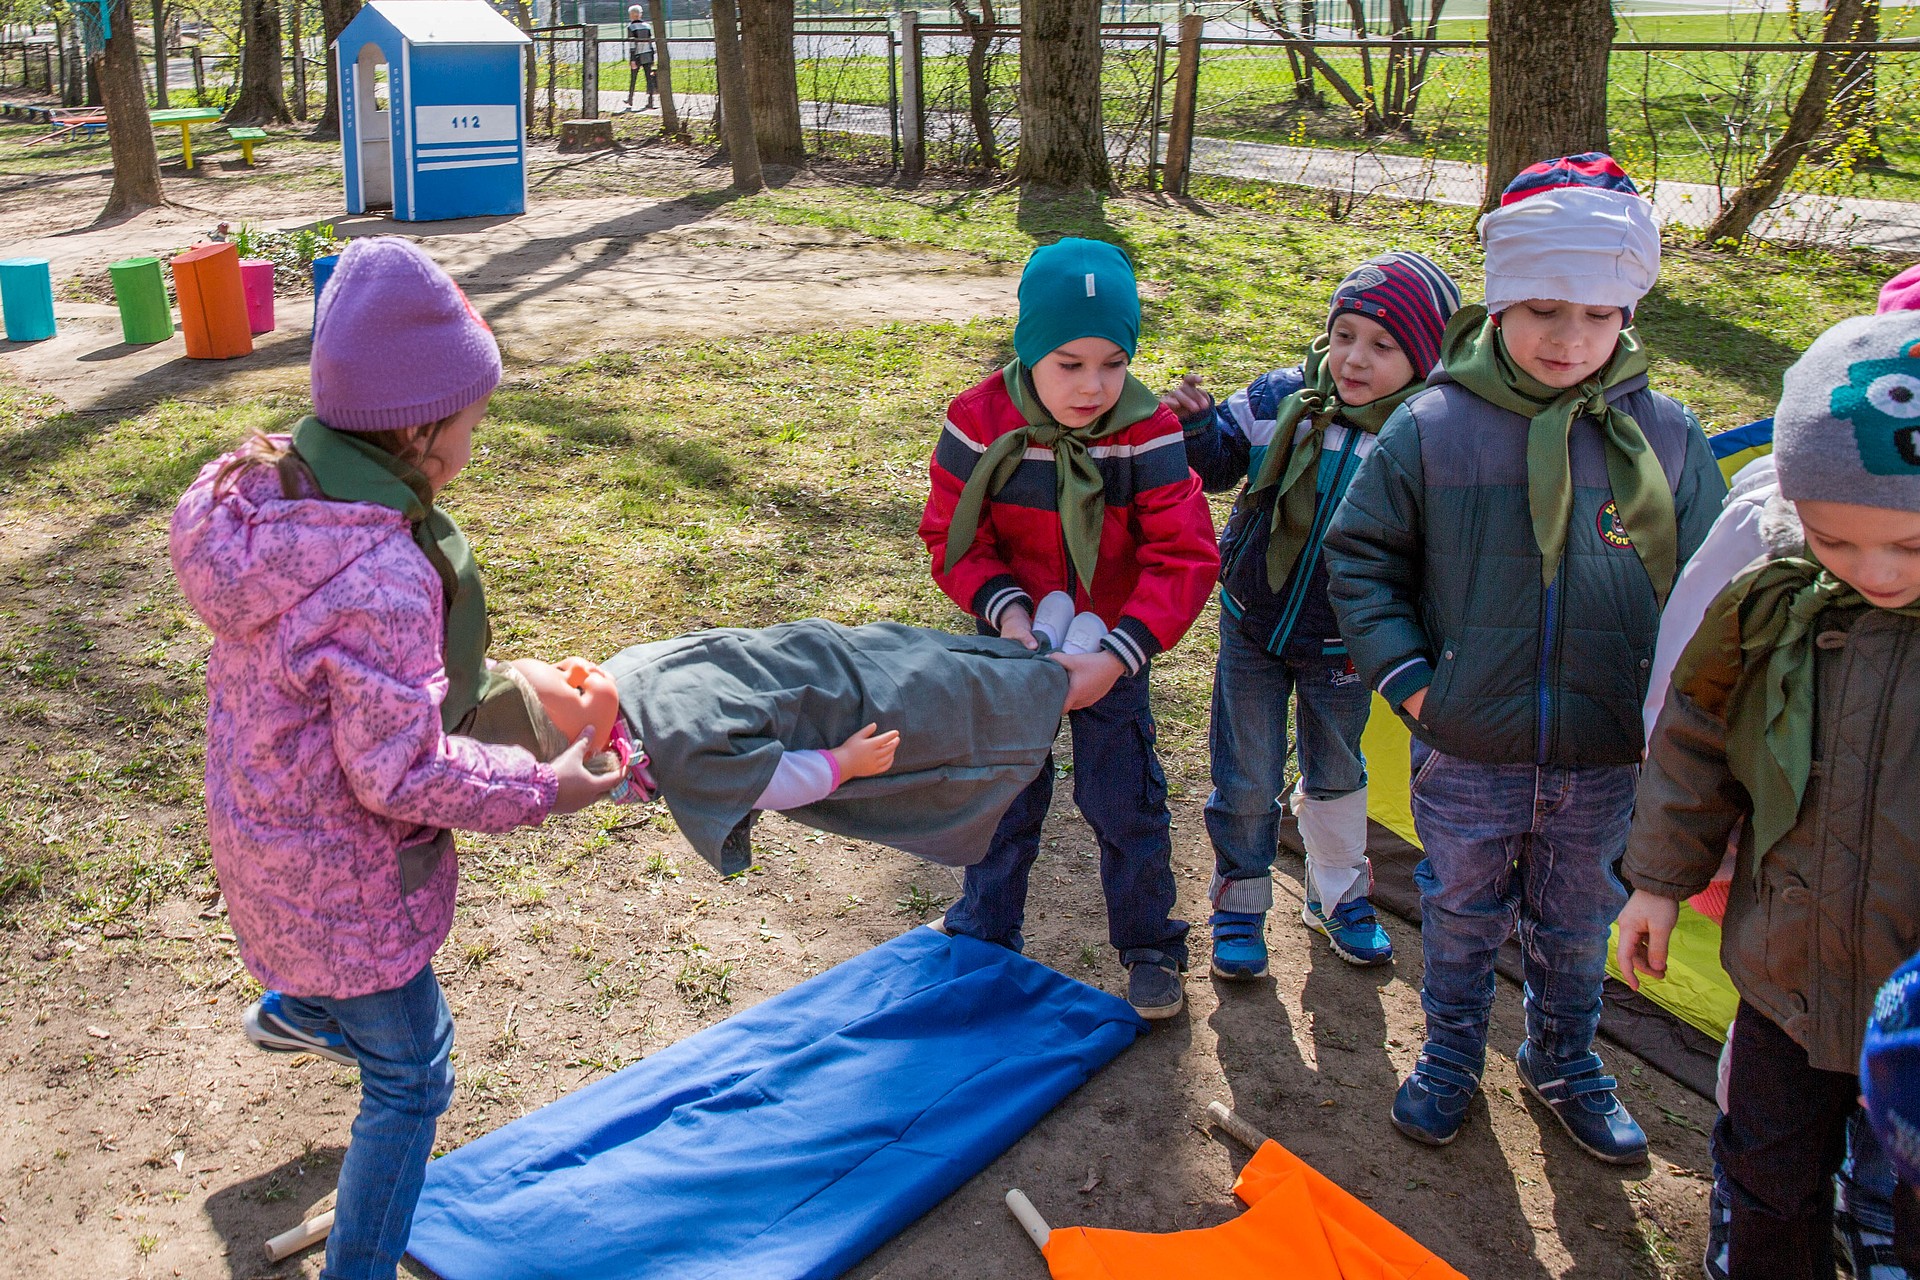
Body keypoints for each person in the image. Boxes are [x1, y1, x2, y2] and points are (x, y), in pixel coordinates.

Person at [169, 237, 624, 1280]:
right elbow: (401, 772)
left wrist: (515, 684)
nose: (475, 442)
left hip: (264, 842)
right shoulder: (378, 574)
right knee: (414, 1078)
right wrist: (543, 786)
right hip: (347, 884)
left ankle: (295, 1005)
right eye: (469, 424)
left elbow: (360, 691)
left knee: (326, 973)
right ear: (420, 430)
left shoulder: (262, 494)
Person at [1323, 153, 1726, 1162]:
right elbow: (1363, 558)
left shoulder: (1669, 443)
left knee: (1573, 924)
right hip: (1466, 744)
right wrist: (1415, 682)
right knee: (1459, 913)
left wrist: (1673, 727)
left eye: (1598, 315)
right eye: (1544, 307)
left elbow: (1716, 603)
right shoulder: (1435, 427)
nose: (1570, 336)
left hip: (1603, 757)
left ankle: (1563, 1058)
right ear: (1500, 302)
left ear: (1628, 314)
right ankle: (1450, 1053)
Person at [1618, 310, 1920, 1277]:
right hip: (1780, 982)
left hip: (1907, 1014)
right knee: (1763, 1176)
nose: (1871, 574)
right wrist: (1659, 880)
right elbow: (1696, 739)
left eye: (1908, 549)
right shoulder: (1776, 603)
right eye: (1836, 540)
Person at [919, 237, 1219, 1020]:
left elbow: (1183, 555)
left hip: (1111, 649)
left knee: (1124, 800)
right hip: (1011, 640)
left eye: (1112, 363)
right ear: (1029, 350)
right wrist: (1010, 616)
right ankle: (983, 934)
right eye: (1069, 363)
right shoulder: (977, 422)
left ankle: (1151, 945)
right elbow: (952, 536)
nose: (1093, 387)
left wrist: (1117, 658)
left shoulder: (1148, 431)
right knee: (1005, 790)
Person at [1166, 252, 1461, 978]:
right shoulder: (1284, 398)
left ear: (1424, 357)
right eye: (1344, 334)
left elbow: (1435, 556)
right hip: (1253, 625)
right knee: (1244, 776)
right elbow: (1221, 466)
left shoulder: (1428, 439)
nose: (1354, 358)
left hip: (1348, 647)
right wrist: (1202, 429)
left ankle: (1339, 896)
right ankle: (1239, 904)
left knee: (1336, 774)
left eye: (1383, 346)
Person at [626, 5, 657, 110]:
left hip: (637, 55)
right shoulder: (647, 26)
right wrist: (652, 56)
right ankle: (651, 101)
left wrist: (632, 59)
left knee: (633, 78)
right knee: (649, 78)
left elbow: (632, 44)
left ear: (631, 15)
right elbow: (651, 42)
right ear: (640, 14)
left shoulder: (631, 27)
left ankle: (630, 98)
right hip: (647, 53)